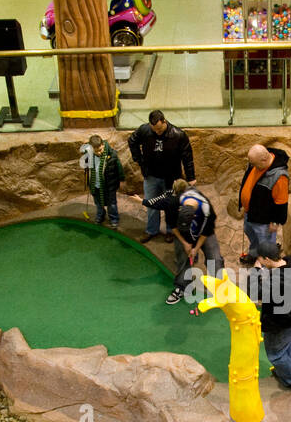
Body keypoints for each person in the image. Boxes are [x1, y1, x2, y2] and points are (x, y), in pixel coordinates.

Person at [132, 179, 222, 305]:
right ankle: (182, 286)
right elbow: (173, 226)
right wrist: (185, 243)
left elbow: (206, 232)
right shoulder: (172, 203)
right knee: (182, 256)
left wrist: (196, 249)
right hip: (183, 233)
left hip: (203, 232)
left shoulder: (206, 208)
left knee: (215, 257)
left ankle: (219, 288)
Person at [127, 109, 195, 244]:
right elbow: (132, 140)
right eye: (154, 130)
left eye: (159, 129)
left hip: (171, 177)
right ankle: (152, 230)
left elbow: (187, 157)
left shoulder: (178, 135)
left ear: (164, 121)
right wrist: (139, 159)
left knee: (171, 206)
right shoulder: (145, 130)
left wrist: (190, 176)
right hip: (151, 175)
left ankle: (171, 231)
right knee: (151, 204)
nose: (157, 132)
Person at [254, 239, 291, 388]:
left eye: (260, 258)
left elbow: (254, 291)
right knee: (287, 346)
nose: (258, 260)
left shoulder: (279, 280)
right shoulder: (290, 263)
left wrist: (257, 270)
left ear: (267, 259)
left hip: (281, 322)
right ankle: (285, 374)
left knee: (275, 354)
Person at [238, 144, 290, 266]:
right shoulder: (258, 163)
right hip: (251, 213)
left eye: (254, 164)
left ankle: (266, 265)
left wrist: (276, 221)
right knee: (250, 232)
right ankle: (255, 254)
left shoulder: (279, 177)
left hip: (264, 219)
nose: (252, 166)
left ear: (263, 160)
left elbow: (281, 202)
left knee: (265, 243)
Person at [85, 134, 122, 228]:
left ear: (103, 145)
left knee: (111, 204)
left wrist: (121, 179)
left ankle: (114, 218)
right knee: (98, 203)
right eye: (96, 151)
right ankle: (100, 215)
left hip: (109, 184)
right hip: (95, 184)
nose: (99, 153)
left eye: (100, 150)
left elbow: (119, 168)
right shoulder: (88, 155)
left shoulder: (112, 155)